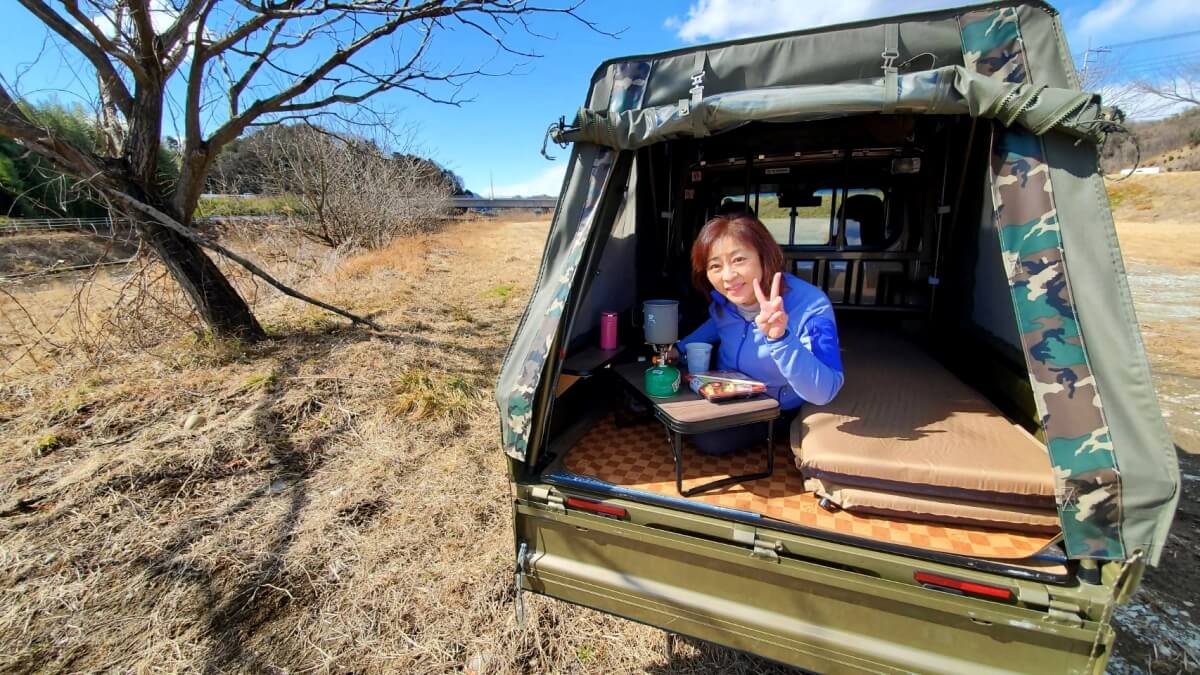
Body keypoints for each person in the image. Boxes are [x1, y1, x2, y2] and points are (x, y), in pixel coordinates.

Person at [677, 212, 844, 455]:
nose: (728, 276)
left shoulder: (811, 306)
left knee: (710, 440)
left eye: (738, 260)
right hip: (725, 391)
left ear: (764, 258)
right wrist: (679, 348)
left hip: (773, 405)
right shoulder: (724, 302)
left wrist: (780, 338)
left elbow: (825, 391)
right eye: (715, 266)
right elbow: (717, 323)